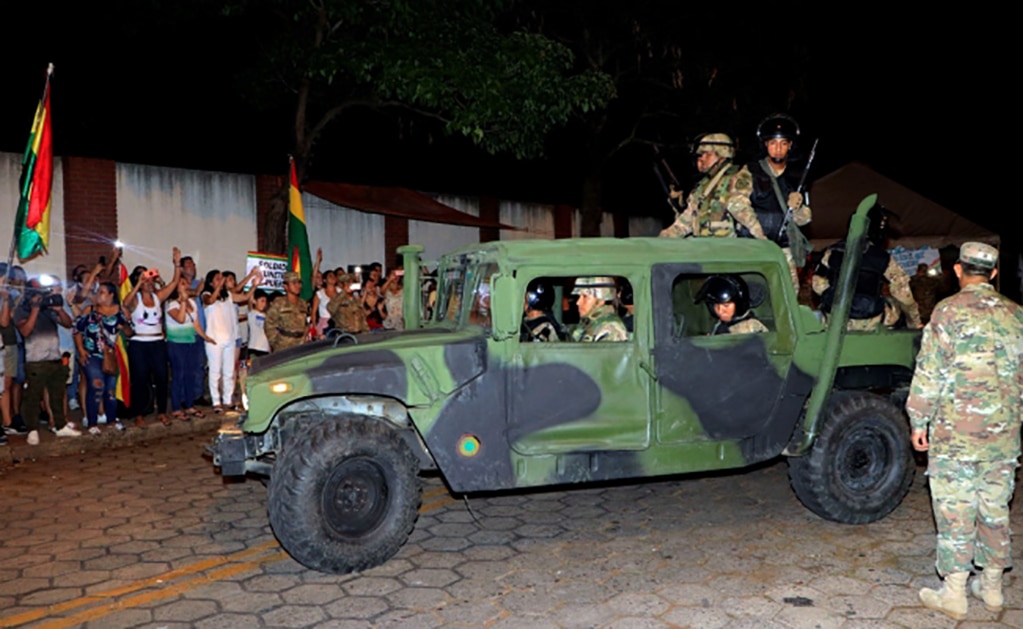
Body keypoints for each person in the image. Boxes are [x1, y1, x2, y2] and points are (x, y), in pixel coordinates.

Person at [906, 242, 1023, 620]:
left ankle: (954, 593)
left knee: (956, 510)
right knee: (994, 509)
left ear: (958, 270)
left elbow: (929, 374)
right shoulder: (1016, 315)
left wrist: (918, 421)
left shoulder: (946, 312)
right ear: (993, 274)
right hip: (1002, 435)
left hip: (955, 435)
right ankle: (991, 590)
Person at [812, 203, 921, 331]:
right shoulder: (882, 257)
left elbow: (817, 285)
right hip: (870, 321)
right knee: (895, 306)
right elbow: (904, 295)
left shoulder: (832, 252)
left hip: (835, 320)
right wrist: (914, 322)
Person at [659, 133, 765, 240]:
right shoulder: (704, 185)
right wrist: (661, 240)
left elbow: (742, 211)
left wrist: (763, 239)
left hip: (728, 249)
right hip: (706, 248)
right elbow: (686, 220)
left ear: (722, 155)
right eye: (700, 155)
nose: (701, 159)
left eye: (707, 154)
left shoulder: (736, 178)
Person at [747, 114, 813, 288]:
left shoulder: (796, 177)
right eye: (773, 143)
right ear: (765, 144)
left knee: (789, 292)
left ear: (790, 146)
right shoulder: (750, 172)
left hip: (783, 249)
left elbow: (805, 219)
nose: (778, 149)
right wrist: (757, 234)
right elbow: (736, 207)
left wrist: (798, 208)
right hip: (754, 246)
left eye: (783, 143)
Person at [14, 275, 80, 444]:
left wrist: (59, 310)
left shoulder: (49, 309)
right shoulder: (22, 310)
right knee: (33, 397)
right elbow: (25, 331)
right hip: (35, 361)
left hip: (55, 358)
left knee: (57, 395)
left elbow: (68, 323)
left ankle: (61, 426)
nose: (41, 297)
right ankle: (32, 430)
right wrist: (35, 310)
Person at [123, 248, 182, 427]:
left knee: (162, 377)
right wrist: (138, 286)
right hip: (139, 343)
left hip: (157, 342)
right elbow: (125, 303)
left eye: (149, 279)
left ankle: (162, 412)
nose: (148, 282)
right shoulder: (135, 299)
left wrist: (176, 264)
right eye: (144, 280)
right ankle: (138, 414)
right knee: (140, 379)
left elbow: (174, 283)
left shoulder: (157, 297)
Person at [73, 282, 132, 433]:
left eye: (102, 292)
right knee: (96, 386)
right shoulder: (90, 310)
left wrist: (124, 326)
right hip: (91, 354)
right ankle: (92, 422)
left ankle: (111, 419)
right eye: (98, 291)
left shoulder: (120, 311)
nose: (98, 294)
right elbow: (77, 330)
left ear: (111, 295)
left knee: (110, 390)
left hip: (110, 355)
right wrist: (81, 350)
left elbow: (130, 333)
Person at [166, 277, 213, 420]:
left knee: (190, 375)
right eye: (182, 284)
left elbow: (196, 324)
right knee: (178, 375)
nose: (186, 286)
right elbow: (180, 319)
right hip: (176, 344)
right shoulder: (172, 304)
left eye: (187, 283)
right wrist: (183, 302)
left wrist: (206, 337)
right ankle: (175, 408)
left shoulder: (192, 303)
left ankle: (189, 405)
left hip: (191, 342)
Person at [697, 275, 768, 335]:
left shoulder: (750, 327)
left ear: (738, 305)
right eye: (716, 306)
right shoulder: (721, 325)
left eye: (726, 306)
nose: (720, 311)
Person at [570, 277, 628, 342]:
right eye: (579, 296)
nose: (578, 302)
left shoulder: (610, 327)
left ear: (601, 300)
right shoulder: (589, 323)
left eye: (585, 296)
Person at [265, 271, 309, 352]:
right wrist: (275, 342)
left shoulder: (303, 304)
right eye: (294, 283)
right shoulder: (279, 303)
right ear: (286, 286)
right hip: (283, 344)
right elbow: (269, 323)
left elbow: (306, 323)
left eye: (299, 283)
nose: (297, 286)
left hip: (300, 344)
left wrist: (304, 337)